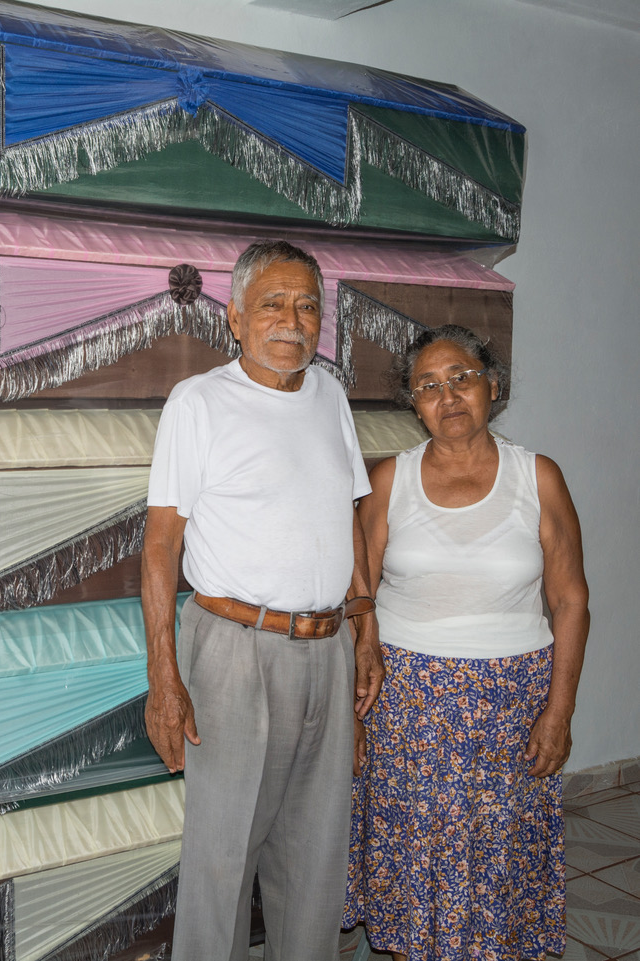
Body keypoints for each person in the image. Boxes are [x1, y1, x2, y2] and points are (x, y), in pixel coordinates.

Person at [142, 239, 384, 961]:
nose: (293, 319)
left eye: (308, 304)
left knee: (315, 857)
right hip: (234, 650)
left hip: (329, 648)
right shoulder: (199, 402)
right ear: (236, 318)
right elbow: (160, 547)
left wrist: (365, 631)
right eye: (273, 303)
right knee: (221, 860)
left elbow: (348, 519)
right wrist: (164, 679)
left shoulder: (331, 397)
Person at [344, 324, 590, 961]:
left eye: (462, 378)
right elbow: (357, 599)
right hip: (408, 705)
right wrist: (355, 713)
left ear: (493, 386)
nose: (447, 395)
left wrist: (558, 712)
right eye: (427, 386)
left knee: (501, 855)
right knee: (409, 855)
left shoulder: (538, 477)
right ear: (412, 402)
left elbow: (570, 601)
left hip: (511, 705)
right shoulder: (388, 482)